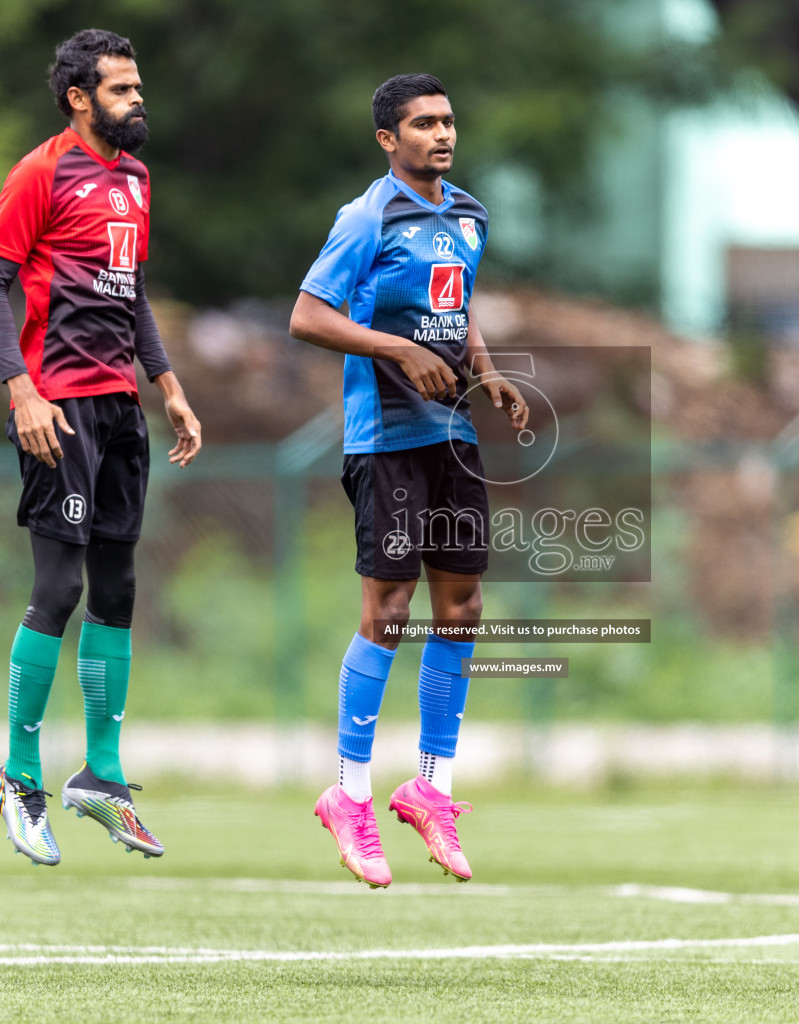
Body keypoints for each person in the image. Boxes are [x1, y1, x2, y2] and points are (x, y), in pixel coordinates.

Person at [289, 73, 528, 888]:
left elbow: (456, 309)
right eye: (423, 123)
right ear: (389, 140)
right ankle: (349, 796)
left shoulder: (468, 214)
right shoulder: (367, 218)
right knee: (388, 611)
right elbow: (308, 316)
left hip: (452, 435)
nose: (442, 133)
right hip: (385, 440)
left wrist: (487, 373)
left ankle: (431, 787)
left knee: (462, 609)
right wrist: (397, 351)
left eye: (448, 120)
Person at [0, 28, 202, 865]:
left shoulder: (136, 177)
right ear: (79, 98)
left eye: (139, 86)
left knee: (119, 585)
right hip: (55, 406)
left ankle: (100, 777)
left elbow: (131, 288)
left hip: (118, 409)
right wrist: (20, 389)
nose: (138, 99)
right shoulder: (40, 172)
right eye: (121, 89)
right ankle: (19, 775)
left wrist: (167, 383)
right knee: (59, 586)